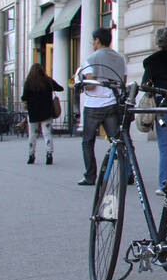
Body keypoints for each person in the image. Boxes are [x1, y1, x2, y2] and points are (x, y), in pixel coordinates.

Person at [76, 27, 127, 186]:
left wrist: (82, 83)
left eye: (93, 40)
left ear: (97, 40)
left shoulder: (91, 59)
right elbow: (123, 82)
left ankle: (90, 176)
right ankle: (127, 174)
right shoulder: (120, 58)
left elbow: (90, 86)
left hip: (94, 105)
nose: (92, 43)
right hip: (112, 103)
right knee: (117, 140)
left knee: (88, 142)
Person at [141, 28, 167, 196]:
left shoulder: (151, 61)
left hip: (163, 108)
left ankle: (164, 184)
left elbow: (146, 85)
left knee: (165, 148)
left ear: (157, 42)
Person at [20, 63, 64, 164]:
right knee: (47, 133)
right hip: (46, 112)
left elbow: (24, 97)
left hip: (33, 112)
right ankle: (49, 154)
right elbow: (60, 88)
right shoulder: (48, 80)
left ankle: (31, 156)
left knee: (32, 134)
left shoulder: (29, 83)